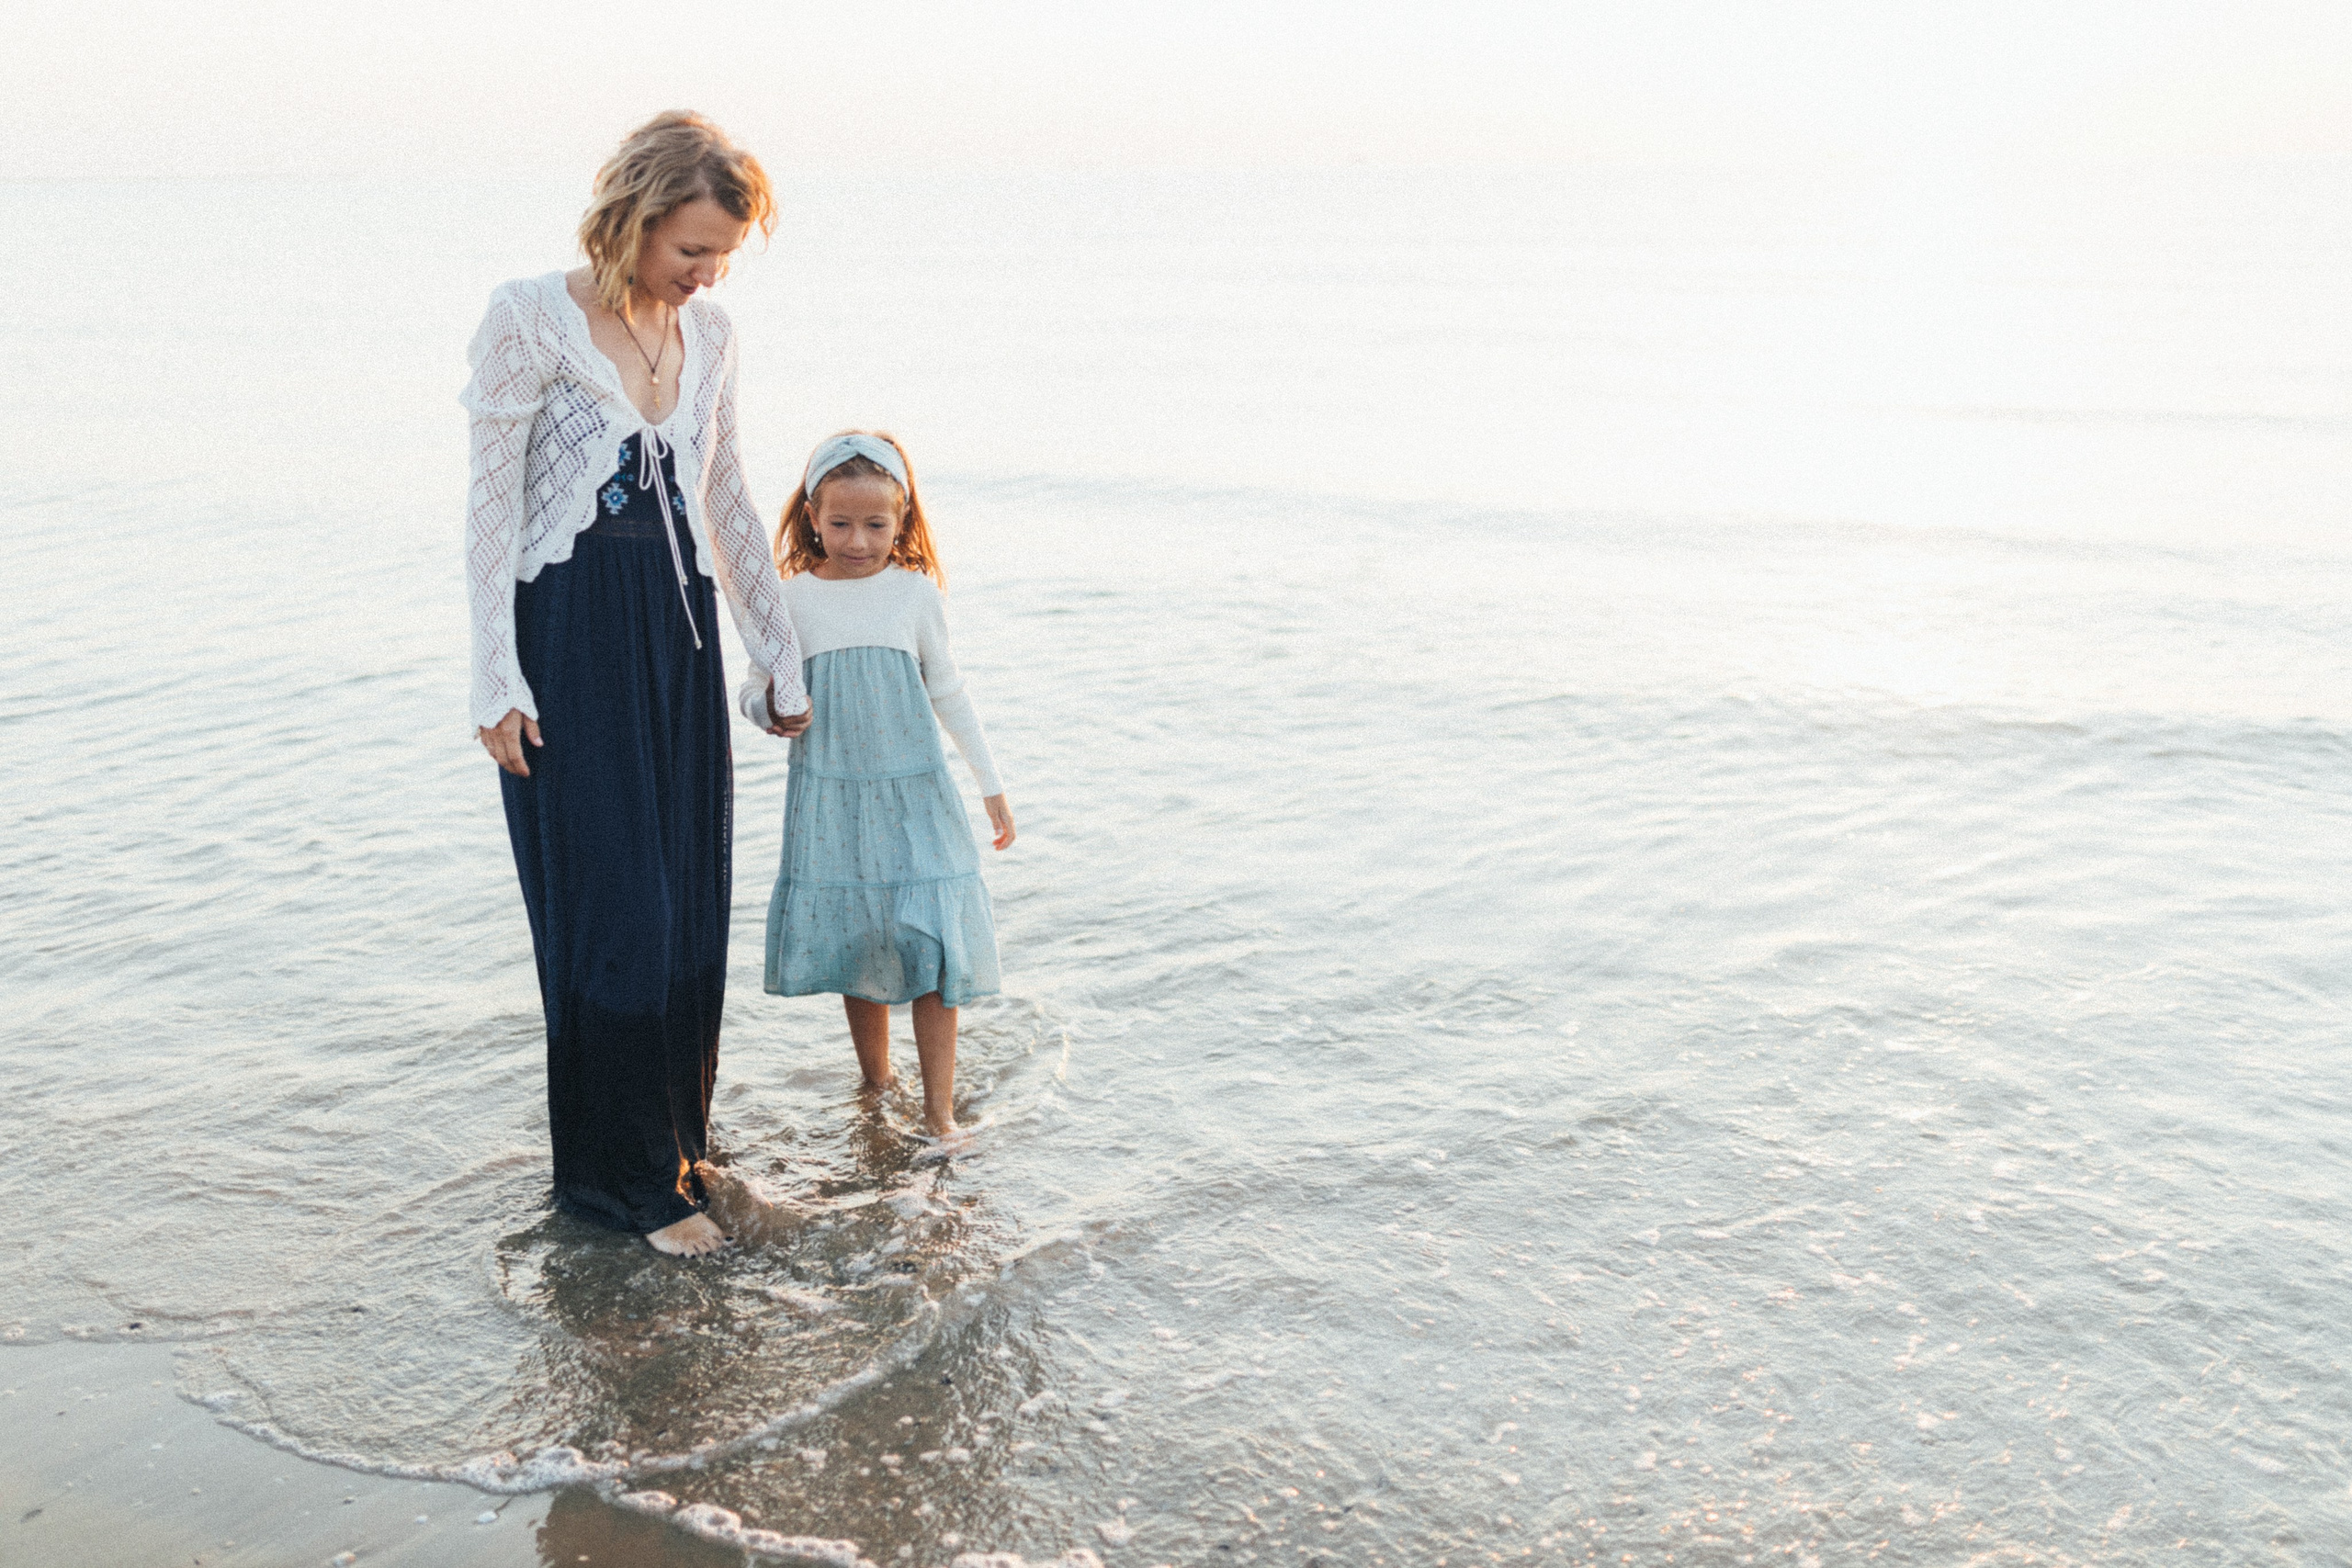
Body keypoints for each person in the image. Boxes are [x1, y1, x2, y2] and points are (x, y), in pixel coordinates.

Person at [460, 111, 809, 1258]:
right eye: (689, 249)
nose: (706, 273)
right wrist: (494, 672)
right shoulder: (528, 316)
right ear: (632, 218)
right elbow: (492, 508)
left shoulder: (709, 334)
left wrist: (776, 652)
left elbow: (729, 497)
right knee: (616, 912)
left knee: (685, 915)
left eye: (720, 254)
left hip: (680, 636)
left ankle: (673, 1149)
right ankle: (619, 1191)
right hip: (569, 638)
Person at [742, 431, 1013, 1145]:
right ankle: (876, 1084)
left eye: (876, 524)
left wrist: (991, 784)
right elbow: (753, 688)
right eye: (839, 524)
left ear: (902, 521)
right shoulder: (792, 600)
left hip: (917, 796)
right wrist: (771, 710)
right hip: (834, 798)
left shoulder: (914, 594)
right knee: (861, 937)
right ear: (811, 517)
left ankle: (939, 1113)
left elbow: (948, 689)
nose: (858, 540)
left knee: (933, 941)